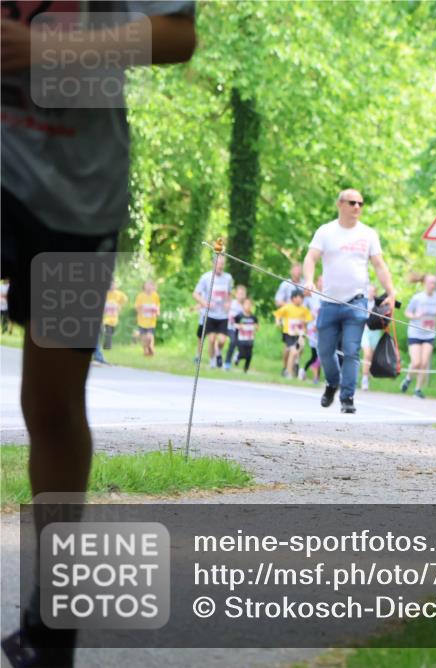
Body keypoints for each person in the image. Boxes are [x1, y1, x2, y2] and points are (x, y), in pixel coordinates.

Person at [0, 4, 196, 665]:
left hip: (76, 198)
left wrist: (40, 49)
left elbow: (175, 36)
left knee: (51, 406)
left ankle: (51, 621)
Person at [304, 189, 396, 414]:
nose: (357, 207)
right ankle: (332, 383)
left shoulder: (368, 234)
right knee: (325, 350)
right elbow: (311, 258)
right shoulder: (326, 232)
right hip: (329, 302)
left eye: (360, 204)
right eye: (352, 203)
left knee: (352, 350)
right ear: (340, 204)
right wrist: (308, 280)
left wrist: (390, 292)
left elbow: (379, 265)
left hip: (357, 302)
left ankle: (347, 397)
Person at [400, 274, 436, 399]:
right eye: (430, 282)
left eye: (434, 283)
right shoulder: (417, 298)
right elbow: (407, 312)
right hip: (415, 332)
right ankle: (408, 379)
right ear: (424, 283)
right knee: (416, 362)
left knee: (424, 363)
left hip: (429, 333)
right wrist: (416, 316)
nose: (432, 285)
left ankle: (417, 390)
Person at [193, 254, 234, 369]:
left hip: (222, 315)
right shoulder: (206, 277)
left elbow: (230, 294)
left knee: (222, 340)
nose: (220, 266)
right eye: (219, 263)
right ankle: (212, 361)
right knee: (211, 339)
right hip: (209, 314)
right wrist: (205, 303)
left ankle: (218, 353)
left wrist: (228, 303)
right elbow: (195, 294)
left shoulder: (228, 278)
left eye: (222, 264)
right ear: (214, 264)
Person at [274, 289, 313, 379]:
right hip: (289, 334)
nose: (301, 300)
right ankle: (288, 370)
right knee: (290, 351)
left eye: (302, 298)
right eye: (299, 297)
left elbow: (308, 319)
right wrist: (277, 321)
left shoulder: (304, 310)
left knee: (297, 350)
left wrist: (304, 322)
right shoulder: (288, 307)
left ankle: (292, 368)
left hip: (300, 335)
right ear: (293, 298)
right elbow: (278, 314)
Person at [360, 284, 381, 391]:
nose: (370, 293)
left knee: (371, 356)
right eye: (368, 291)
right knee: (367, 354)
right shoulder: (362, 302)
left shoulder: (378, 303)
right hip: (365, 330)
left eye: (372, 291)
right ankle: (364, 379)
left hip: (375, 331)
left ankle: (367, 376)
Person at [302, 281, 323, 383]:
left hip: (323, 329)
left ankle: (306, 372)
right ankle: (314, 376)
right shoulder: (312, 298)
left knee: (319, 355)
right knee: (316, 355)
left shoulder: (326, 296)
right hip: (313, 330)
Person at [134, 280, 160, 357]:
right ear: (144, 286)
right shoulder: (140, 296)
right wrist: (141, 309)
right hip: (142, 321)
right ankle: (145, 350)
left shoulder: (155, 296)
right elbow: (136, 307)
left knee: (149, 336)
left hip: (151, 321)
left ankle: (150, 347)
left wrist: (157, 311)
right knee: (144, 338)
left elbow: (157, 306)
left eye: (150, 285)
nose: (149, 286)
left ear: (153, 286)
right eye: (147, 285)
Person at [223, 284, 247, 371]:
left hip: (240, 329)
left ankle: (237, 356)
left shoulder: (244, 306)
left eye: (243, 294)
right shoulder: (232, 303)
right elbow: (226, 312)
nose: (241, 296)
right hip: (230, 327)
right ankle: (227, 363)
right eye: (239, 294)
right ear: (236, 294)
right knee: (232, 342)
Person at [233, 298, 259, 373]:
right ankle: (237, 357)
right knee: (242, 352)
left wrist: (255, 327)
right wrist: (239, 326)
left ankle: (246, 369)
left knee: (249, 354)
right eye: (246, 304)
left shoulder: (253, 317)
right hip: (241, 338)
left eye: (249, 304)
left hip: (250, 338)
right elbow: (233, 324)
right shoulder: (239, 316)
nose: (248, 306)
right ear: (243, 305)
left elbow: (257, 326)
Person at [101, 279, 127, 350]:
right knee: (108, 330)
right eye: (110, 284)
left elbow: (124, 300)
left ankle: (105, 344)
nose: (112, 286)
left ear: (115, 285)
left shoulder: (119, 294)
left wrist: (120, 306)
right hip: (106, 316)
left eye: (113, 284)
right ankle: (108, 346)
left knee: (111, 331)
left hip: (114, 316)